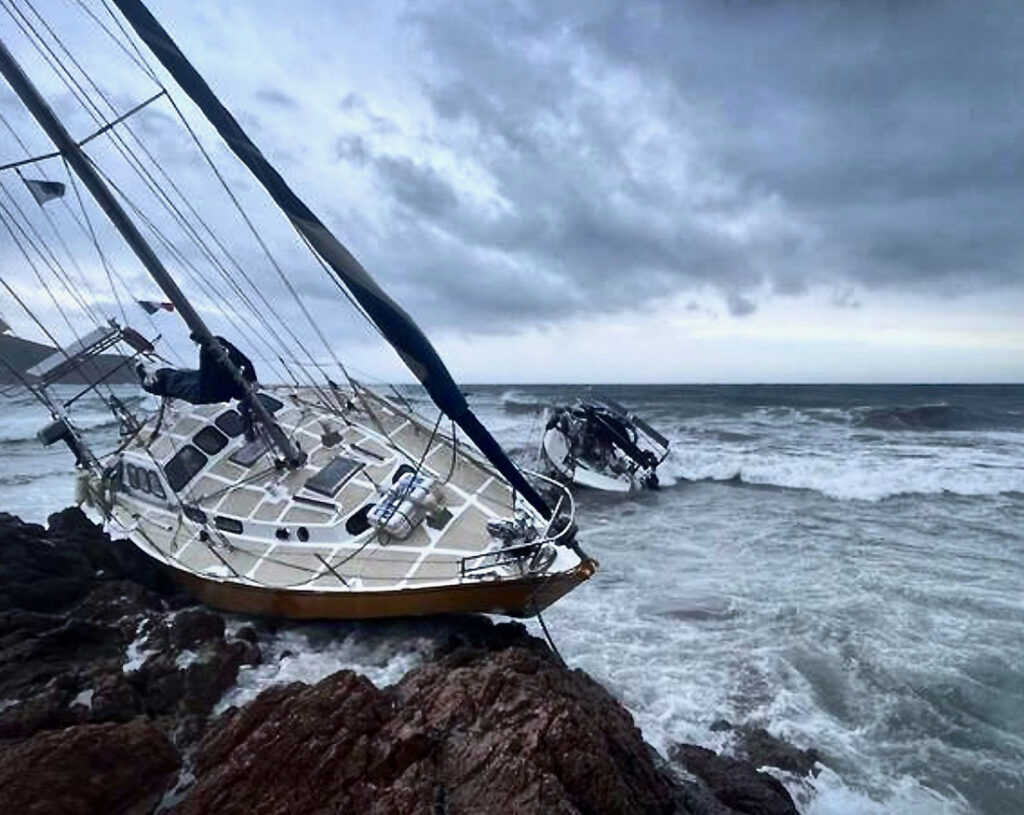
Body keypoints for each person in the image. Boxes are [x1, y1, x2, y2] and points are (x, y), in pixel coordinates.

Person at [137, 334, 258, 437]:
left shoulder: (170, 373)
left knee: (217, 344)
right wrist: (145, 377)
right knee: (209, 347)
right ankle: (248, 381)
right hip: (203, 392)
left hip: (218, 388)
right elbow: (149, 385)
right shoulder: (161, 382)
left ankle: (249, 380)